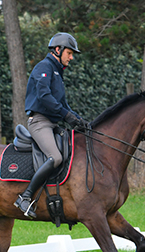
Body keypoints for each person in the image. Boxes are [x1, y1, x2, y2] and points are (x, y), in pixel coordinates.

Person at [14, 32, 89, 219]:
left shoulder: (57, 72)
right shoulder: (44, 67)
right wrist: (67, 115)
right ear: (58, 50)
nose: (71, 58)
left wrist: (79, 121)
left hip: (53, 124)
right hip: (39, 122)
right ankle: (25, 197)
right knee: (55, 157)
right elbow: (44, 96)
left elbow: (62, 105)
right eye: (69, 53)